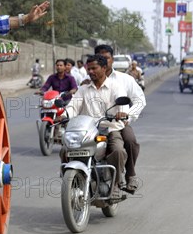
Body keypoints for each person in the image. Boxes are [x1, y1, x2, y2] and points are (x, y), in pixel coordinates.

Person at [62, 54, 129, 199]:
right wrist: (64, 115)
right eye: (89, 68)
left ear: (104, 68)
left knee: (118, 151)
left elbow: (123, 104)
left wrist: (122, 113)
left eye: (94, 68)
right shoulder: (83, 89)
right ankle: (69, 181)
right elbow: (73, 106)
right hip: (87, 130)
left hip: (110, 128)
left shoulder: (116, 87)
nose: (90, 71)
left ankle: (116, 184)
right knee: (64, 149)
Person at [95, 44, 146, 194]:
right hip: (92, 124)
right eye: (100, 58)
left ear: (112, 60)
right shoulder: (88, 80)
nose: (103, 61)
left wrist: (127, 116)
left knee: (129, 140)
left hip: (117, 123)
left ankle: (130, 174)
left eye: (106, 58)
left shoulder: (125, 80)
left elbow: (139, 100)